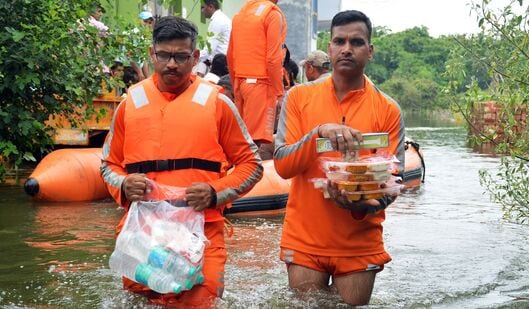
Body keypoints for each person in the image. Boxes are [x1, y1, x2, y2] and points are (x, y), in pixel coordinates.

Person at [100, 16, 263, 307]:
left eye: (180, 56)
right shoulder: (128, 105)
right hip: (143, 233)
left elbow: (252, 165)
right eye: (164, 55)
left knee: (202, 300)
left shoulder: (218, 104)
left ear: (196, 57)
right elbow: (107, 166)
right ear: (152, 54)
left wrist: (215, 192)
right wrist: (124, 184)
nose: (171, 64)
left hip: (200, 233)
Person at [273, 10, 405, 306]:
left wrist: (362, 204)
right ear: (329, 48)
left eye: (357, 42)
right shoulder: (298, 98)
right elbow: (282, 165)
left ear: (370, 51)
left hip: (360, 239)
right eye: (339, 41)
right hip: (305, 236)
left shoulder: (388, 109)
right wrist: (318, 134)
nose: (347, 48)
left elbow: (395, 179)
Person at [227, 0, 287, 146]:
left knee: (241, 141)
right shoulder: (272, 14)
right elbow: (273, 58)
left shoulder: (240, 15)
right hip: (261, 85)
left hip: (240, 82)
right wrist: (279, 93)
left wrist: (236, 85)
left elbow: (230, 55)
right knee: (253, 145)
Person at [196, 0, 232, 77]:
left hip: (221, 65)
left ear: (211, 7)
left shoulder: (218, 21)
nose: (202, 11)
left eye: (203, 7)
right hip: (224, 62)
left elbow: (210, 49)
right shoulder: (221, 19)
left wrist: (192, 57)